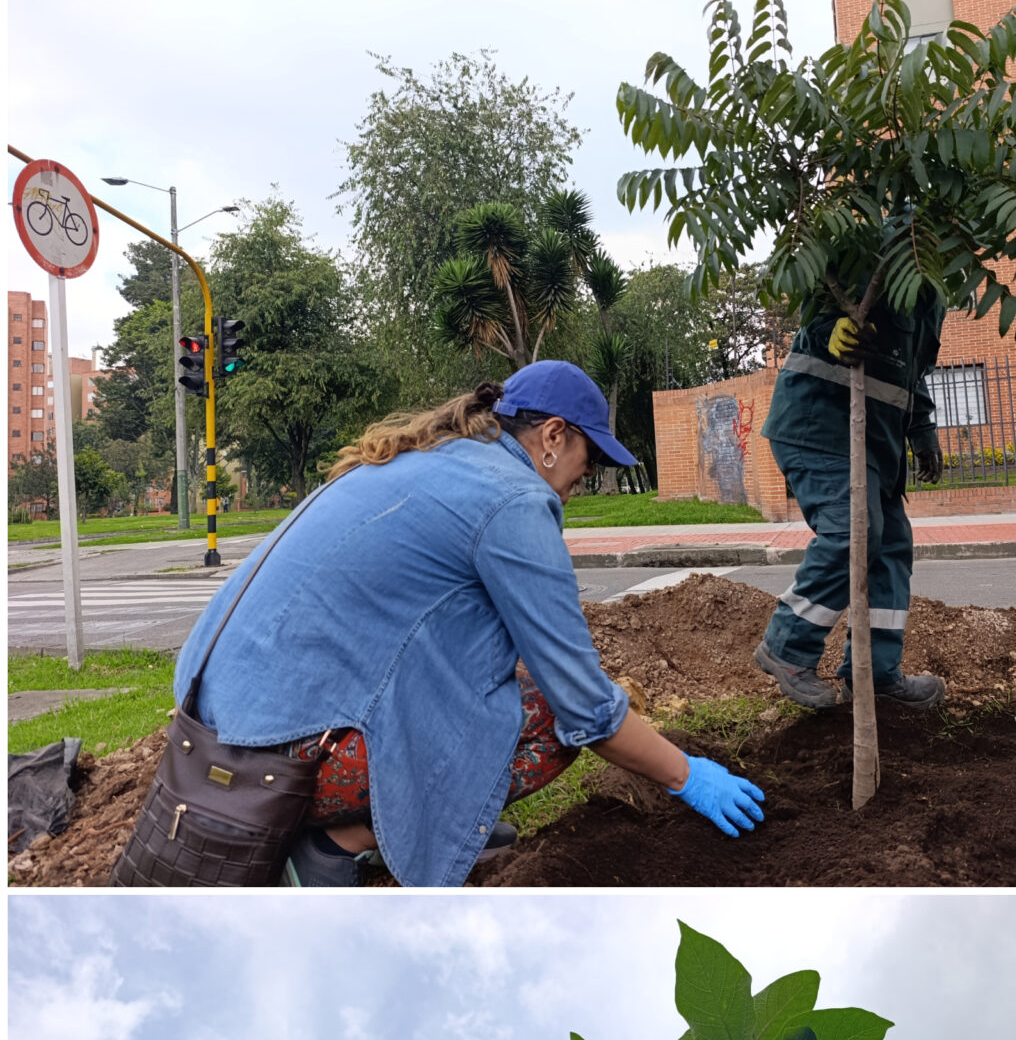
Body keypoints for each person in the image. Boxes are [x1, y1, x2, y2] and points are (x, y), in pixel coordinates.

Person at [170, 364, 765, 888]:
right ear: (554, 436)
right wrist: (687, 777)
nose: (586, 477)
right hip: (275, 764)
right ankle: (332, 845)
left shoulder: (432, 460)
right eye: (591, 457)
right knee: (554, 716)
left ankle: (423, 823)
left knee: (500, 687)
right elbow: (587, 709)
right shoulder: (513, 500)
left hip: (214, 727)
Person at [752, 283, 949, 712]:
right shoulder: (873, 250)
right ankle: (786, 645)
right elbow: (819, 301)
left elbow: (910, 374)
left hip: (874, 442)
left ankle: (875, 675)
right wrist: (829, 331)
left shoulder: (932, 296)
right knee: (855, 530)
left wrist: (922, 431)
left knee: (890, 545)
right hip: (818, 424)